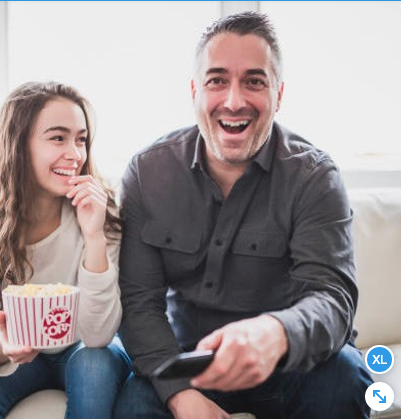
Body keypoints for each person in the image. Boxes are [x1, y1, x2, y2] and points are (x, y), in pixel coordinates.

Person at [114, 12, 372, 419]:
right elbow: (138, 303)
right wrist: (181, 395)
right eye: (217, 80)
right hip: (189, 365)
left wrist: (276, 333)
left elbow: (332, 298)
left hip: (290, 364)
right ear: (195, 89)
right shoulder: (147, 174)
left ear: (279, 94)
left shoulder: (316, 178)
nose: (234, 101)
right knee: (133, 405)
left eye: (254, 81)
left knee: (345, 378)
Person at [0, 81, 130, 419]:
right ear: (19, 144)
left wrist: (94, 237)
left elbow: (98, 334)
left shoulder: (100, 210)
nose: (75, 154)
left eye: (81, 139)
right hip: (16, 357)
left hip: (84, 349)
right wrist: (6, 347)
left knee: (94, 368)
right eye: (58, 138)